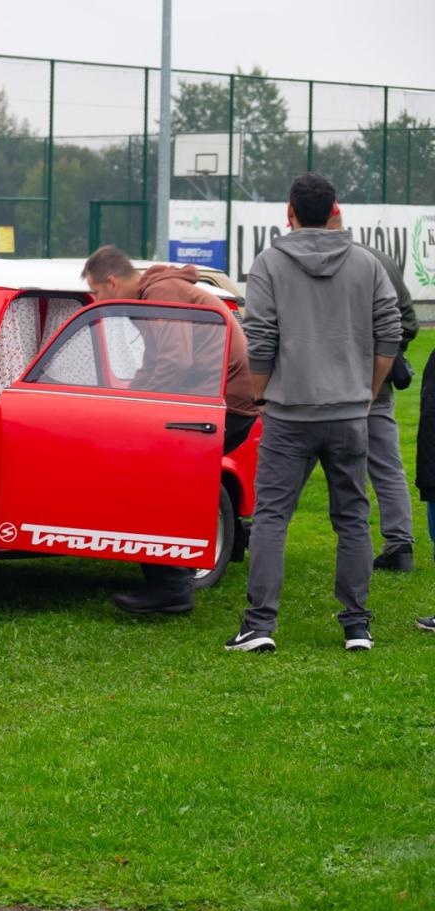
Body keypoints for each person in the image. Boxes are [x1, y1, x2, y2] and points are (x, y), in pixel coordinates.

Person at [226, 173, 400, 654]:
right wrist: (368, 390)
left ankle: (260, 623)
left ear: (290, 212)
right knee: (352, 519)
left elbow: (259, 338)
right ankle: (357, 626)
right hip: (348, 414)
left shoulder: (269, 263)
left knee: (271, 519)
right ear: (334, 208)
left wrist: (261, 395)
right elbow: (390, 330)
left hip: (288, 413)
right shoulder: (366, 262)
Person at [81, 246, 259, 615]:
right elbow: (155, 363)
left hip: (225, 405)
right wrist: (125, 401)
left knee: (159, 482)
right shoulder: (157, 294)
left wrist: (141, 412)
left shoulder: (162, 293)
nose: (96, 301)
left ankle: (171, 587)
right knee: (171, 482)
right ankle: (171, 582)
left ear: (112, 283)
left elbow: (177, 361)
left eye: (96, 293)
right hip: (224, 401)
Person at [326, 206, 420, 572]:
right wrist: (384, 354)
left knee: (293, 462)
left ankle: (262, 533)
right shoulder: (379, 259)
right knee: (386, 465)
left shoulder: (326, 262)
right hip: (372, 381)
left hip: (333, 384)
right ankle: (400, 545)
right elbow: (408, 322)